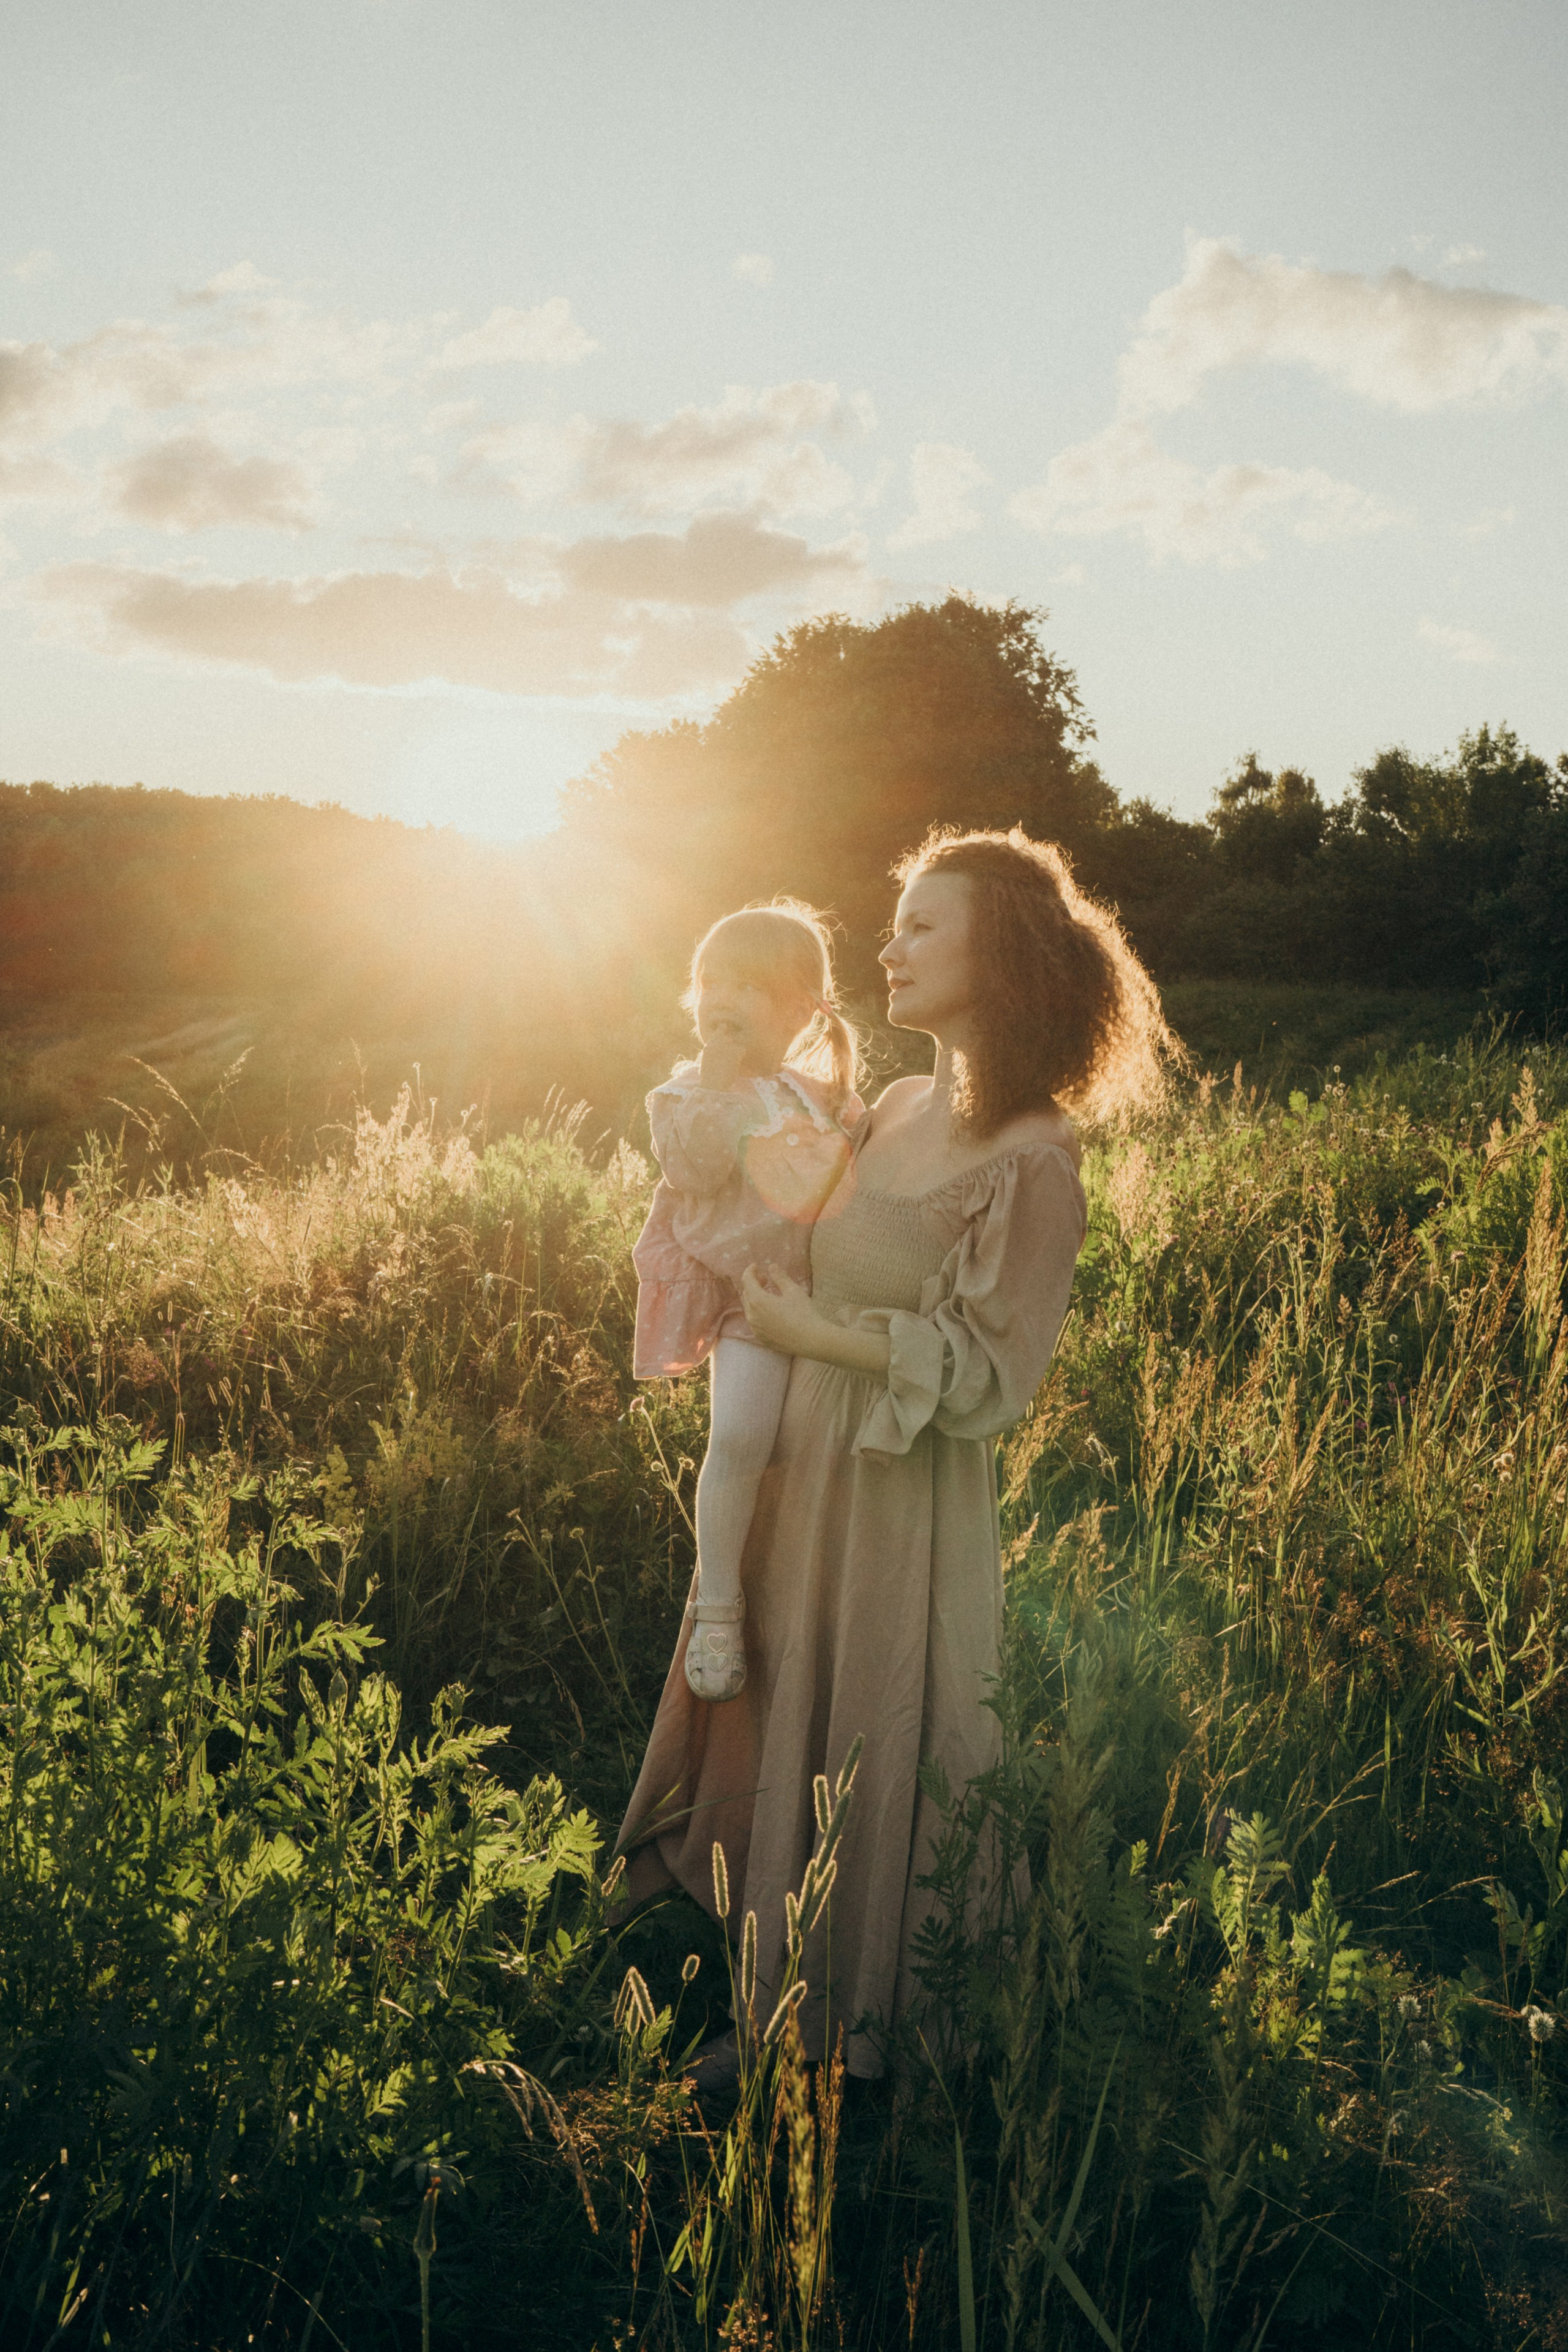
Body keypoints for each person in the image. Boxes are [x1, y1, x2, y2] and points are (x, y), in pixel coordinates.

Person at [618, 826, 1172, 2086]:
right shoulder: (899, 1106)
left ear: (1004, 951)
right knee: (783, 1712)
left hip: (897, 1490)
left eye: (924, 924)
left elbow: (992, 1374)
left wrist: (820, 1333)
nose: (890, 945)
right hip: (796, 1467)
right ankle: (766, 2002)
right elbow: (775, 1191)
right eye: (895, 920)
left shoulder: (1033, 1158)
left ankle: (857, 2039)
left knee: (869, 1732)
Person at [632, 901, 864, 1703]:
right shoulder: (684, 1093)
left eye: (749, 985)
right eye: (712, 981)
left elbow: (856, 1172)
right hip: (753, 1304)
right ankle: (720, 1604)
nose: (723, 997)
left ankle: (820, 1596)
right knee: (738, 1437)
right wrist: (721, 1083)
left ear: (802, 1009)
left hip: (831, 1304)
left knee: (815, 1458)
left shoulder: (816, 1093)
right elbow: (693, 1172)